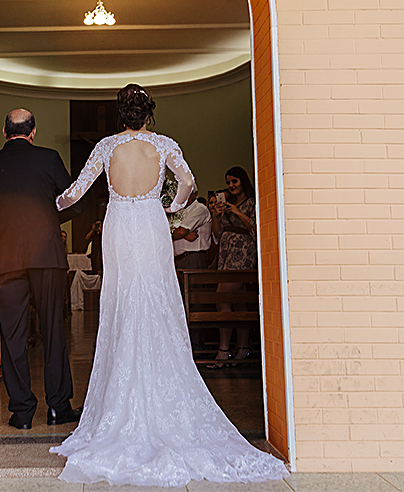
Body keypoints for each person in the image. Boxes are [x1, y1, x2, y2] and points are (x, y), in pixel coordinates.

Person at [50, 84, 286, 487]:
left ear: (120, 114)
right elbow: (189, 183)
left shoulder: (107, 146)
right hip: (151, 224)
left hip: (120, 226)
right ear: (148, 114)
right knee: (156, 299)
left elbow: (76, 192)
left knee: (123, 302)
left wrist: (52, 204)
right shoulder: (163, 145)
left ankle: (117, 403)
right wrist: (171, 207)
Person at [0, 109, 84, 430]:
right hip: (47, 254)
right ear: (32, 132)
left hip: (6, 259)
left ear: (4, 131)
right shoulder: (49, 159)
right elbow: (74, 202)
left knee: (12, 336)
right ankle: (58, 407)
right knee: (52, 330)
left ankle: (22, 412)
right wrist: (48, 220)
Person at [208, 166, 257, 369]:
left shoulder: (251, 203)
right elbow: (218, 234)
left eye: (234, 181)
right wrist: (215, 215)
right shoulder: (229, 205)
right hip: (227, 256)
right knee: (239, 304)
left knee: (223, 300)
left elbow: (255, 226)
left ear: (242, 182)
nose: (230, 186)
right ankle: (242, 347)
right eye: (228, 182)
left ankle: (223, 349)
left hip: (242, 255)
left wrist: (237, 211)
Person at [172, 188, 212, 269]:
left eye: (188, 193)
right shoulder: (180, 211)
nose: (185, 197)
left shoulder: (200, 209)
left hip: (193, 257)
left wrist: (181, 234)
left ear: (196, 194)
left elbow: (181, 232)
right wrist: (184, 236)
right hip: (181, 258)